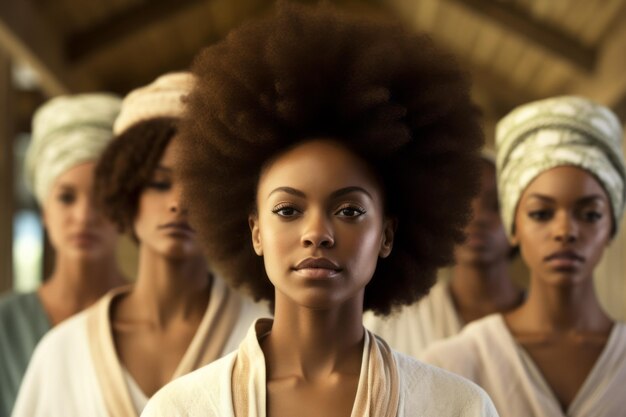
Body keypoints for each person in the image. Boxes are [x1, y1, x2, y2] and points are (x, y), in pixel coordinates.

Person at [141, 4, 498, 416]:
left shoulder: (457, 406)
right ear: (256, 232)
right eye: (288, 210)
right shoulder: (180, 409)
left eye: (348, 211)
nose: (318, 233)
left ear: (387, 235)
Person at [12, 73, 269, 417]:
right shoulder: (62, 352)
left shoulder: (264, 336)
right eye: (159, 183)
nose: (178, 202)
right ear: (126, 192)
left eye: (196, 184)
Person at [421, 96, 626, 416]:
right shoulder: (454, 364)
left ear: (612, 225)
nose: (565, 231)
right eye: (542, 213)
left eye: (590, 214)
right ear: (513, 225)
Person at [0, 94, 126, 417]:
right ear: (44, 209)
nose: (84, 216)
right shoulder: (6, 325)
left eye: (102, 197)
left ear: (125, 209)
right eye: (66, 197)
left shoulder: (153, 313)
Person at [364, 150, 524, 357]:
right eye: (462, 204)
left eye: (496, 206)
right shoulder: (392, 320)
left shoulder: (550, 322)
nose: (478, 218)